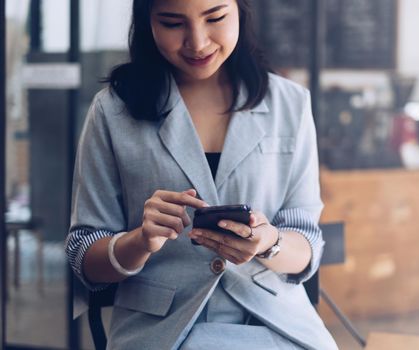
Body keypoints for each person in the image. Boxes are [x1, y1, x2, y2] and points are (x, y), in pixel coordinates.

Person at [65, 0, 338, 349]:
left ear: (241, 11)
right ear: (147, 23)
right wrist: (140, 241)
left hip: (277, 324)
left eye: (216, 18)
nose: (197, 42)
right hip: (160, 331)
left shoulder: (290, 103)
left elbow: (307, 243)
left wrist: (268, 243)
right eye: (172, 23)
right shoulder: (113, 110)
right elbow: (82, 257)